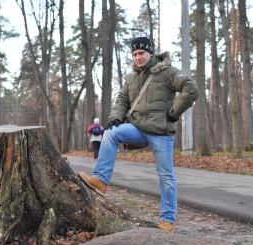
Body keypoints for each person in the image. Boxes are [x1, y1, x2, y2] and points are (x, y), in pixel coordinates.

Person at [78, 36, 199, 231]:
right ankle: (101, 180)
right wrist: (116, 116)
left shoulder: (167, 72)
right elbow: (122, 100)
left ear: (151, 52)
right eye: (134, 54)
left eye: (141, 53)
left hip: (161, 132)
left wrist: (174, 113)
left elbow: (191, 89)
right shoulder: (131, 78)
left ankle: (167, 219)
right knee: (110, 133)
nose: (137, 57)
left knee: (165, 175)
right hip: (138, 128)